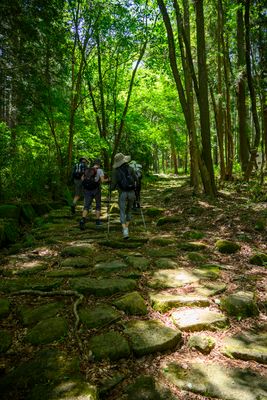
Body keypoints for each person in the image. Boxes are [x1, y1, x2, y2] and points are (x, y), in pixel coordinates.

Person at [111, 153, 137, 239]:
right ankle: (126, 226)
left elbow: (113, 184)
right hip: (131, 192)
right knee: (129, 210)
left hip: (122, 193)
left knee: (122, 211)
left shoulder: (115, 171)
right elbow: (136, 179)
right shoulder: (131, 168)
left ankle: (125, 230)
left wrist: (110, 189)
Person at [79, 159, 107, 230]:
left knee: (86, 205)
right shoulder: (100, 170)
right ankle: (97, 221)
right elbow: (103, 181)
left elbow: (82, 178)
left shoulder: (88, 169)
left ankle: (83, 219)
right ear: (99, 164)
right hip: (96, 190)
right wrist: (108, 179)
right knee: (98, 204)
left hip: (87, 190)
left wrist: (87, 184)